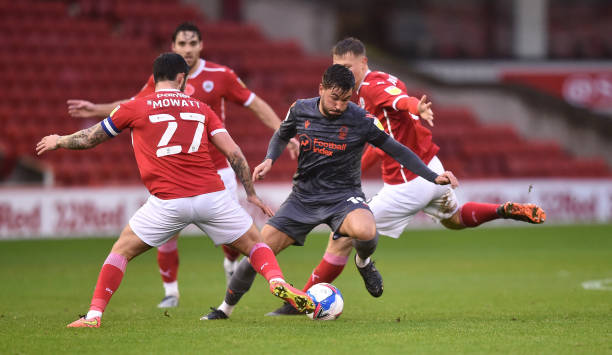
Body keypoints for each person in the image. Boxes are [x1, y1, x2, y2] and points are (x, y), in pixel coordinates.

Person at [265, 37, 547, 316]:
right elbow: (381, 141)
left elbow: (399, 101)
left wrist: (417, 107)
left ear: (364, 63)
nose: (344, 74)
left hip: (408, 182)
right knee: (454, 219)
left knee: (342, 237)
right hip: (432, 168)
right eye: (338, 67)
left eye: (349, 67)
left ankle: (298, 303)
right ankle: (501, 210)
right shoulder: (376, 82)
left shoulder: (372, 90)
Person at [36, 52, 314, 328]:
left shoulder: (134, 107)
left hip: (168, 202)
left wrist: (59, 140)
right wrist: (251, 193)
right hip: (212, 197)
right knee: (256, 245)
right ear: (182, 78)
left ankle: (94, 315)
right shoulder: (202, 108)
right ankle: (277, 280)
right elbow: (235, 153)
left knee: (120, 252)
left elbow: (89, 139)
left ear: (155, 77)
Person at [199, 64, 458, 320]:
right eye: (334, 98)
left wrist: (434, 176)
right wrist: (269, 159)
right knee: (257, 253)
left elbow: (397, 150)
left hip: (343, 198)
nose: (339, 105)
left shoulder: (363, 120)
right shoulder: (300, 109)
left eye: (345, 100)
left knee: (367, 232)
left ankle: (364, 263)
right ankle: (224, 309)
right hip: (303, 199)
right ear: (321, 89)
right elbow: (281, 134)